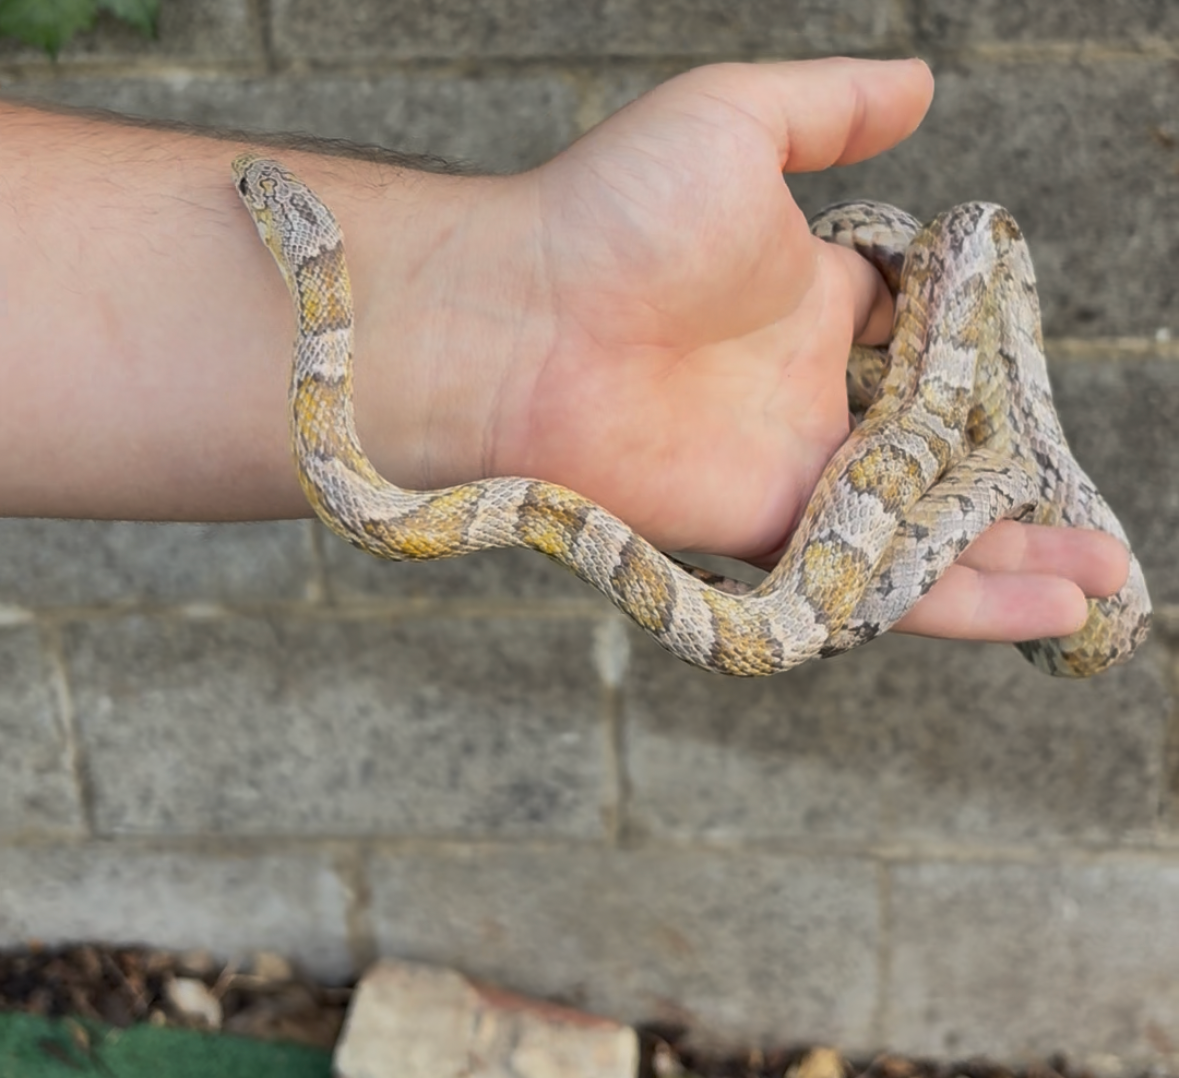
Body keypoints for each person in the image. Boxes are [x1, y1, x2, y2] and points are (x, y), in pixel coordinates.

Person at [0, 56, 1128, 644]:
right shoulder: (332, 411)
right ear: (309, 257)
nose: (255, 184)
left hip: (894, 483)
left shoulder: (329, 363)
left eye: (265, 194)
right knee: (961, 247)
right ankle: (1008, 464)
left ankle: (1011, 467)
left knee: (956, 263)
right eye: (268, 201)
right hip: (890, 479)